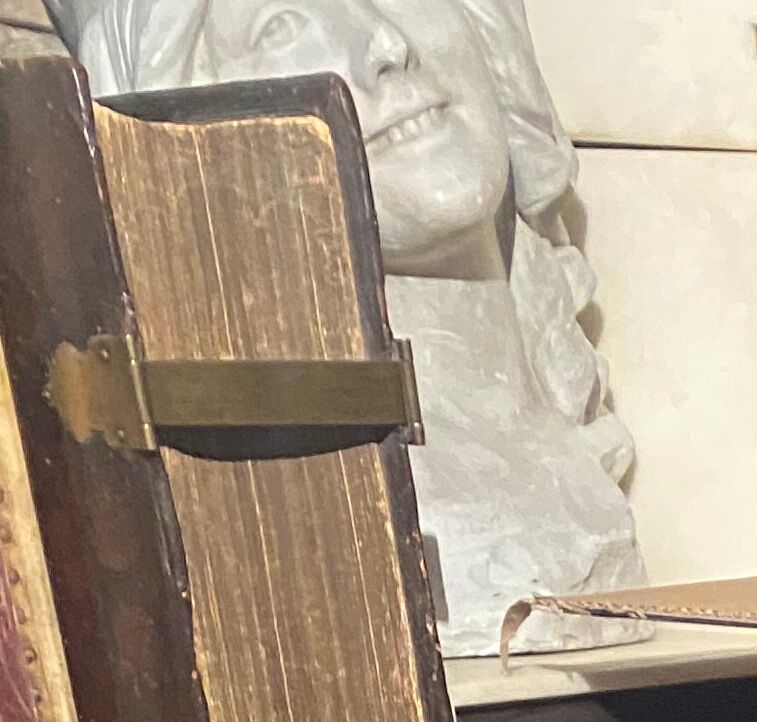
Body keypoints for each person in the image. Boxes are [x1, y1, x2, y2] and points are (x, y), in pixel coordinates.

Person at [49, 0, 647, 648]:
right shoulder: (304, 525)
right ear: (197, 135)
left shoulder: (572, 457)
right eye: (282, 25)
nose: (386, 44)